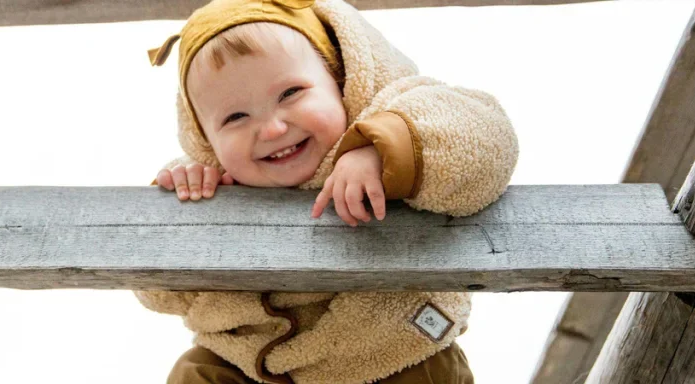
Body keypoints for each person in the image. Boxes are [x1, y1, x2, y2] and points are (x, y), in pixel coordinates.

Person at [136, 0, 519, 382]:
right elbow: (160, 295)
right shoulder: (215, 183)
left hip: (394, 348)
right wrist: (182, 209)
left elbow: (486, 138)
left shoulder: (395, 113)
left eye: (290, 93)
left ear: (339, 81)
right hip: (256, 366)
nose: (272, 129)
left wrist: (382, 149)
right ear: (205, 139)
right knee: (194, 372)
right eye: (235, 117)